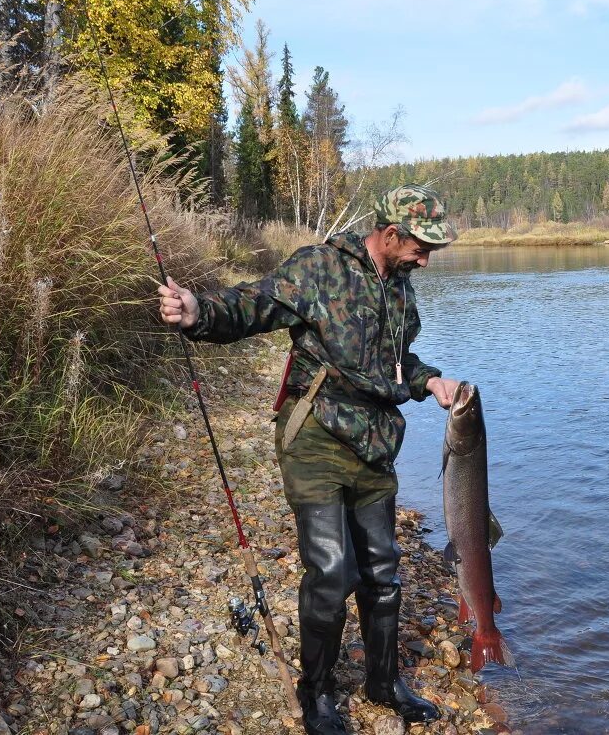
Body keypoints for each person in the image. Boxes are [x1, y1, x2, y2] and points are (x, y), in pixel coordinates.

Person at [158, 184, 460, 735]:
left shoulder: (400, 287)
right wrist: (199, 311)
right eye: (422, 246)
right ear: (390, 235)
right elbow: (254, 304)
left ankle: (384, 682)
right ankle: (317, 694)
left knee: (383, 572)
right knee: (330, 571)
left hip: (375, 441)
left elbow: (398, 360)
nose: (427, 257)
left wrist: (428, 379)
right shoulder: (319, 267)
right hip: (315, 433)